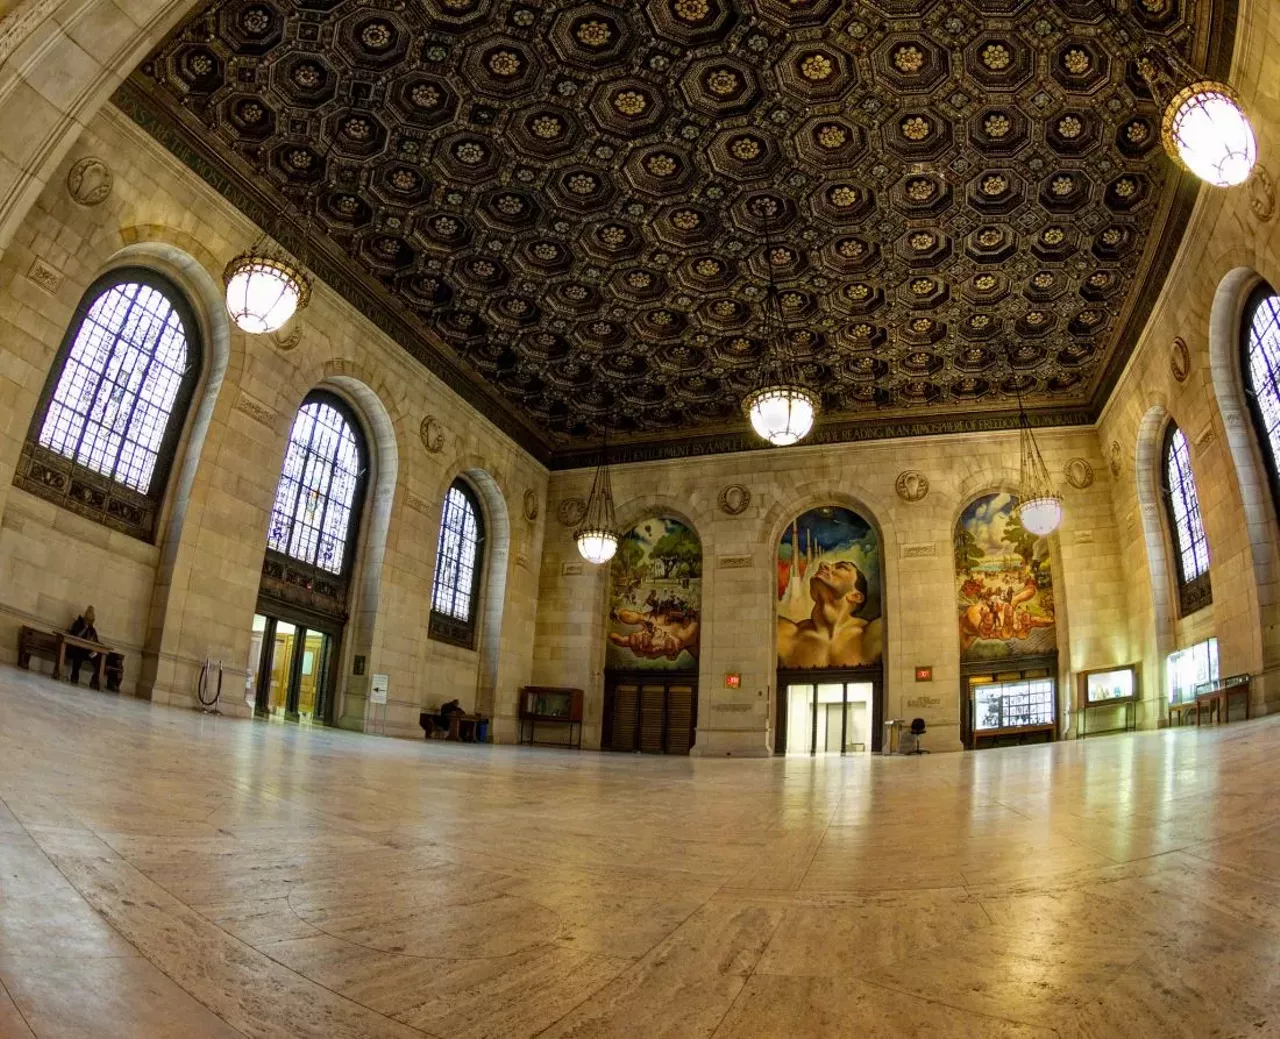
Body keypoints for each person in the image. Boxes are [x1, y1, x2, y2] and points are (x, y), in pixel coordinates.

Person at [777, 560, 882, 668]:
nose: (823, 564)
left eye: (841, 567)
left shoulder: (874, 633)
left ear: (855, 596)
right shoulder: (784, 634)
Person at [66, 606, 101, 688]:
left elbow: (96, 643)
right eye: (88, 620)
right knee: (78, 654)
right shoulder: (77, 623)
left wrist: (93, 642)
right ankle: (74, 676)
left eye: (91, 621)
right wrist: (84, 629)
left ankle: (95, 679)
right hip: (74, 648)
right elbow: (75, 637)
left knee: (97, 656)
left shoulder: (92, 630)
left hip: (87, 652)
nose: (89, 622)